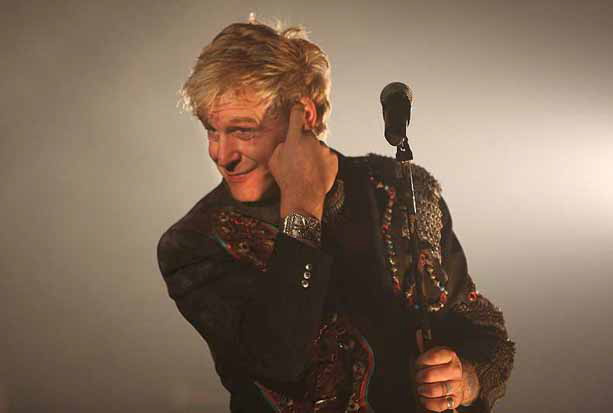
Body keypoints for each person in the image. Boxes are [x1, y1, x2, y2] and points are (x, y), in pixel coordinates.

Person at [156, 18, 515, 413]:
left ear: (304, 116)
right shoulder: (196, 242)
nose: (222, 155)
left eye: (243, 131)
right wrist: (302, 208)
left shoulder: (399, 189)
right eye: (212, 130)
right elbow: (277, 361)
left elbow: (483, 330)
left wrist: (465, 378)